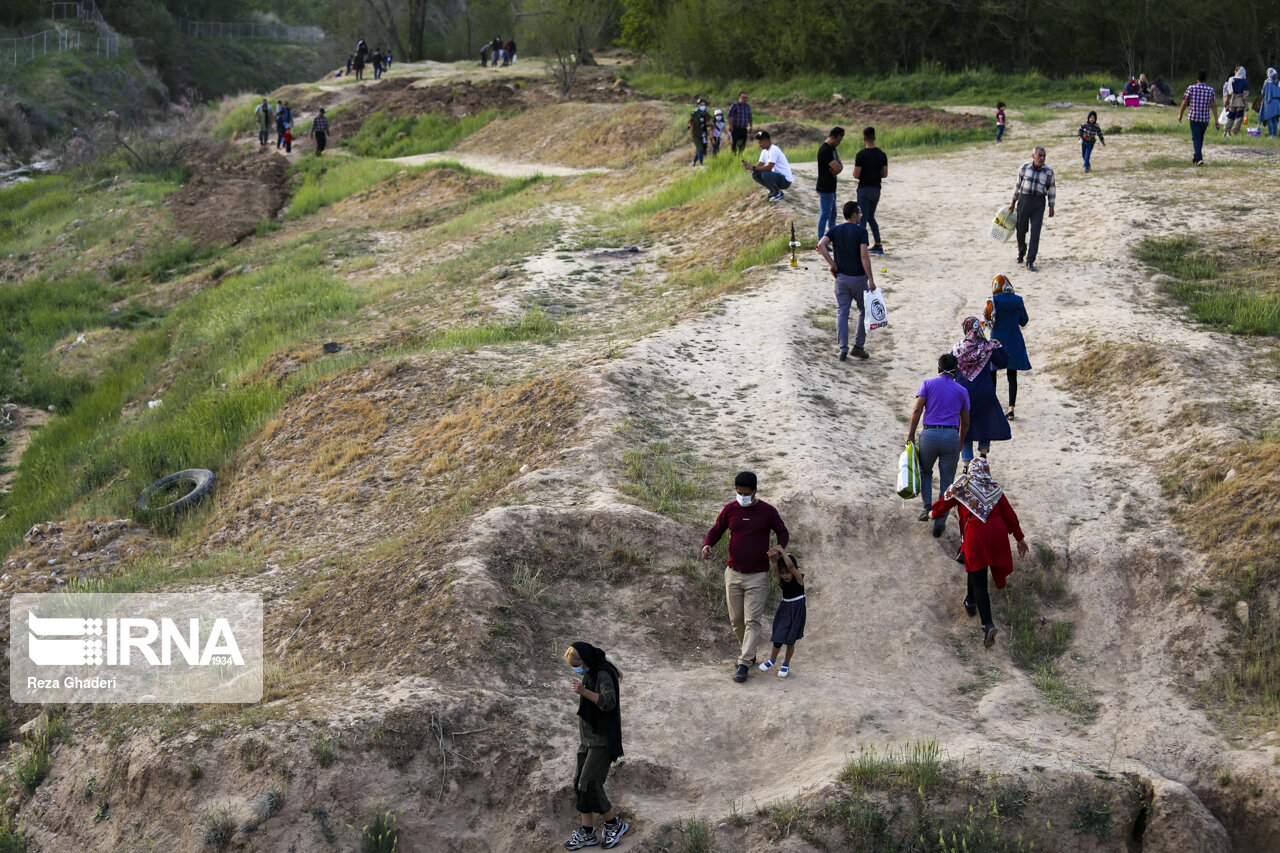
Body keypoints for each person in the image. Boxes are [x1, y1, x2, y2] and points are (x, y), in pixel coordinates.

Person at [701, 471, 790, 684]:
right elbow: (717, 530)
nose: (742, 497)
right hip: (733, 574)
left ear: (755, 491)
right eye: (739, 493)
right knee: (736, 621)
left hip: (758, 576)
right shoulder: (730, 509)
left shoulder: (767, 511)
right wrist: (707, 544)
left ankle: (743, 664)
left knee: (753, 621)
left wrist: (779, 548)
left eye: (746, 493)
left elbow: (782, 532)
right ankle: (748, 653)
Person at [930, 458, 1028, 649]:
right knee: (974, 570)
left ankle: (988, 625)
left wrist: (932, 514)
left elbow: (944, 503)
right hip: (998, 536)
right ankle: (970, 601)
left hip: (976, 536)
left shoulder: (963, 486)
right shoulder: (996, 490)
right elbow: (1011, 517)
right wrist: (1019, 538)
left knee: (979, 580)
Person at [562, 643, 629, 850]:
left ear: (587, 660)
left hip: (602, 741)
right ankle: (587, 832)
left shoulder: (603, 674)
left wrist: (583, 691)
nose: (576, 669)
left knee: (590, 784)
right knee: (579, 784)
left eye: (577, 665)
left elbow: (609, 701)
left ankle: (614, 825)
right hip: (588, 740)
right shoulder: (590, 672)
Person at [906, 354, 971, 538]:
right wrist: (960, 440)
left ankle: (927, 507)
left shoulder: (928, 384)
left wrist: (911, 434)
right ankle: (940, 521)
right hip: (951, 435)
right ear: (956, 372)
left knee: (925, 471)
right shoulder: (962, 391)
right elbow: (965, 422)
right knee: (947, 482)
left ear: (938, 370)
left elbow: (917, 410)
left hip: (929, 435)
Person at [815, 200, 876, 361]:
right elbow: (864, 256)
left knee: (842, 312)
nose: (861, 216)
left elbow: (821, 245)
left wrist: (832, 264)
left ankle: (843, 348)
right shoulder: (861, 232)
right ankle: (858, 346)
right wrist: (870, 278)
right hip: (858, 279)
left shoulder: (835, 230)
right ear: (855, 215)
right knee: (864, 310)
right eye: (860, 213)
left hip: (841, 279)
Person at [953, 317, 1010, 465]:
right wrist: (999, 346)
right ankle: (982, 458)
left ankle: (966, 465)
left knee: (965, 424)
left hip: (963, 393)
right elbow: (1003, 362)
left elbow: (950, 369)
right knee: (985, 421)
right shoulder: (988, 347)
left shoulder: (958, 348)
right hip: (985, 391)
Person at [984, 275, 1030, 420]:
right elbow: (1024, 321)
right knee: (1012, 374)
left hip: (997, 339)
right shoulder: (1018, 300)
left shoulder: (993, 301)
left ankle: (992, 407)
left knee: (992, 372)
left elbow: (988, 321)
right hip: (1014, 339)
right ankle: (1011, 408)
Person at [757, 552, 804, 679]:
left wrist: (782, 551)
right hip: (785, 609)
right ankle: (772, 660)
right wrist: (774, 560)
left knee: (790, 640)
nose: (785, 575)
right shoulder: (782, 581)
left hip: (796, 611)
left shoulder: (799, 579)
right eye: (783, 573)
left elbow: (792, 567)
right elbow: (775, 566)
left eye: (787, 572)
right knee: (778, 637)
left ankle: (786, 664)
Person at [1008, 146, 1055, 272]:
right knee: (1021, 229)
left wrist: (1051, 206)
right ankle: (1021, 251)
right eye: (1040, 155)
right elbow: (1018, 185)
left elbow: (1052, 189)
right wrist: (1013, 202)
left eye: (1044, 156)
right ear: (1033, 156)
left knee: (1035, 231)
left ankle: (1030, 260)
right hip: (1024, 200)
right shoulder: (1024, 168)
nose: (1042, 158)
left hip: (1039, 202)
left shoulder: (1048, 171)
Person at [853, 127, 888, 254]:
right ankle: (878, 244)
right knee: (871, 217)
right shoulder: (881, 154)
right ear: (874, 138)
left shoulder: (861, 155)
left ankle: (861, 246)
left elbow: (856, 175)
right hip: (876, 189)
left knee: (862, 217)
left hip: (864, 189)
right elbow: (884, 174)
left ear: (864, 139)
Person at [1178, 70, 1220, 165]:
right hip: (1205, 118)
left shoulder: (1191, 88)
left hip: (1194, 117)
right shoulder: (1210, 90)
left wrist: (1180, 114)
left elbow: (1185, 102)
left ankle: (1198, 158)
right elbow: (1213, 105)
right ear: (1205, 79)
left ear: (1197, 79)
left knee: (1196, 138)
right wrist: (1216, 120)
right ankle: (1196, 158)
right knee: (1200, 138)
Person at [742, 130, 792, 202]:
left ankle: (778, 193)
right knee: (755, 174)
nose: (759, 145)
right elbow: (759, 165)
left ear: (767, 141)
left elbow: (769, 167)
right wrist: (750, 167)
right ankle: (773, 191)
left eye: (760, 142)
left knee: (765, 174)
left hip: (785, 180)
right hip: (777, 177)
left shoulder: (774, 149)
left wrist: (753, 167)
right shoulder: (764, 151)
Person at [815, 127, 845, 238]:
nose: (839, 143)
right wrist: (838, 167)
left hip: (832, 187)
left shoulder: (833, 149)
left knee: (833, 215)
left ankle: (831, 239)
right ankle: (820, 240)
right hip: (825, 187)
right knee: (825, 214)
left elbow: (839, 166)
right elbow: (837, 167)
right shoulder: (825, 150)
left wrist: (838, 167)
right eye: (838, 140)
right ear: (832, 138)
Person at [1222, 66, 1250, 136]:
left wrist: (1226, 101)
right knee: (1239, 117)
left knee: (1230, 116)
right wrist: (1246, 105)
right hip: (1240, 101)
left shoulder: (1231, 80)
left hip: (1232, 100)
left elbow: (1228, 92)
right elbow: (1245, 95)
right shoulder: (1245, 82)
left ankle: (1226, 131)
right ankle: (1235, 132)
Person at [688, 99, 711, 166]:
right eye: (701, 105)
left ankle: (693, 163)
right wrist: (690, 124)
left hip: (703, 133)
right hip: (696, 134)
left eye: (704, 105)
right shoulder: (694, 113)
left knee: (701, 149)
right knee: (700, 148)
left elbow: (709, 122)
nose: (703, 106)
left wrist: (709, 124)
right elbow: (690, 121)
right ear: (698, 105)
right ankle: (701, 164)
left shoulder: (706, 114)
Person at [1261, 68, 1280, 137]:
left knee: (1270, 119)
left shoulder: (1267, 82)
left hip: (1270, 102)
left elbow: (1263, 92)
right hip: (1277, 102)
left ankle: (1271, 134)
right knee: (1275, 120)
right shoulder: (1278, 83)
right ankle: (1275, 134)